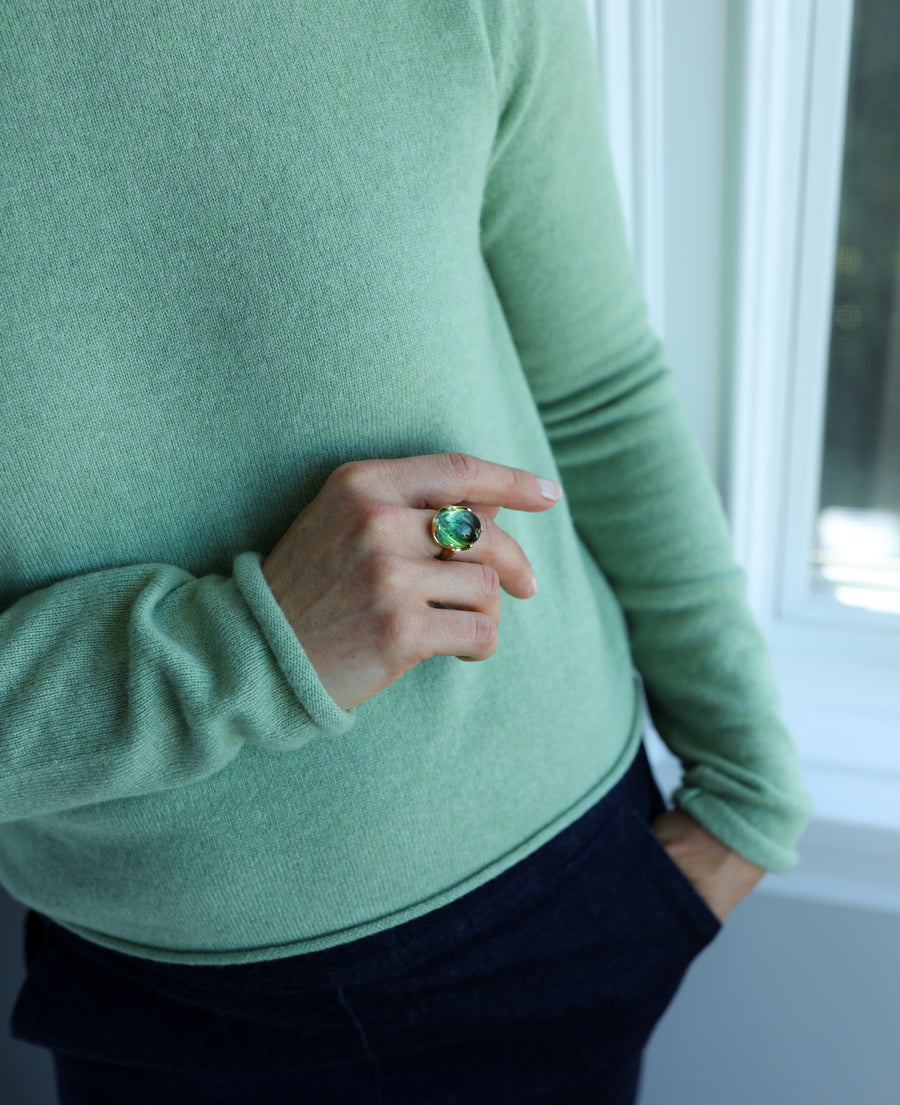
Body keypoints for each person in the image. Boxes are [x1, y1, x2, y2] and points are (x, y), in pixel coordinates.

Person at [1, 2, 812, 1102]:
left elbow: (595, 383)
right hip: (159, 993)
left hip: (557, 899)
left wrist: (750, 784)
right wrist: (250, 644)